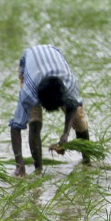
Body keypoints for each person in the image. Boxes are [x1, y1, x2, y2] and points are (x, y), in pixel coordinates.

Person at [9, 44, 92, 177]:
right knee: (35, 123)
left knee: (80, 121)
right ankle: (38, 170)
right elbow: (15, 127)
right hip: (29, 63)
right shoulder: (29, 93)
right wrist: (19, 164)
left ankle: (87, 162)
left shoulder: (69, 83)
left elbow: (73, 106)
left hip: (53, 53)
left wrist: (65, 134)